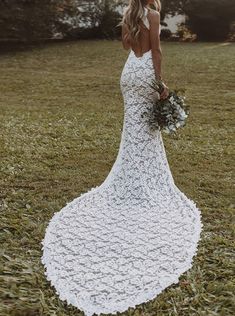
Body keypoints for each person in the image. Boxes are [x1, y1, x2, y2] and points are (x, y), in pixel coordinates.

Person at [41, 1, 203, 315]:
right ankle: (142, 184)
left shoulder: (129, 15)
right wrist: (161, 85)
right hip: (145, 75)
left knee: (133, 130)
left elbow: (129, 45)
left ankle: (131, 176)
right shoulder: (153, 15)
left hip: (128, 73)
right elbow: (156, 50)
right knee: (146, 132)